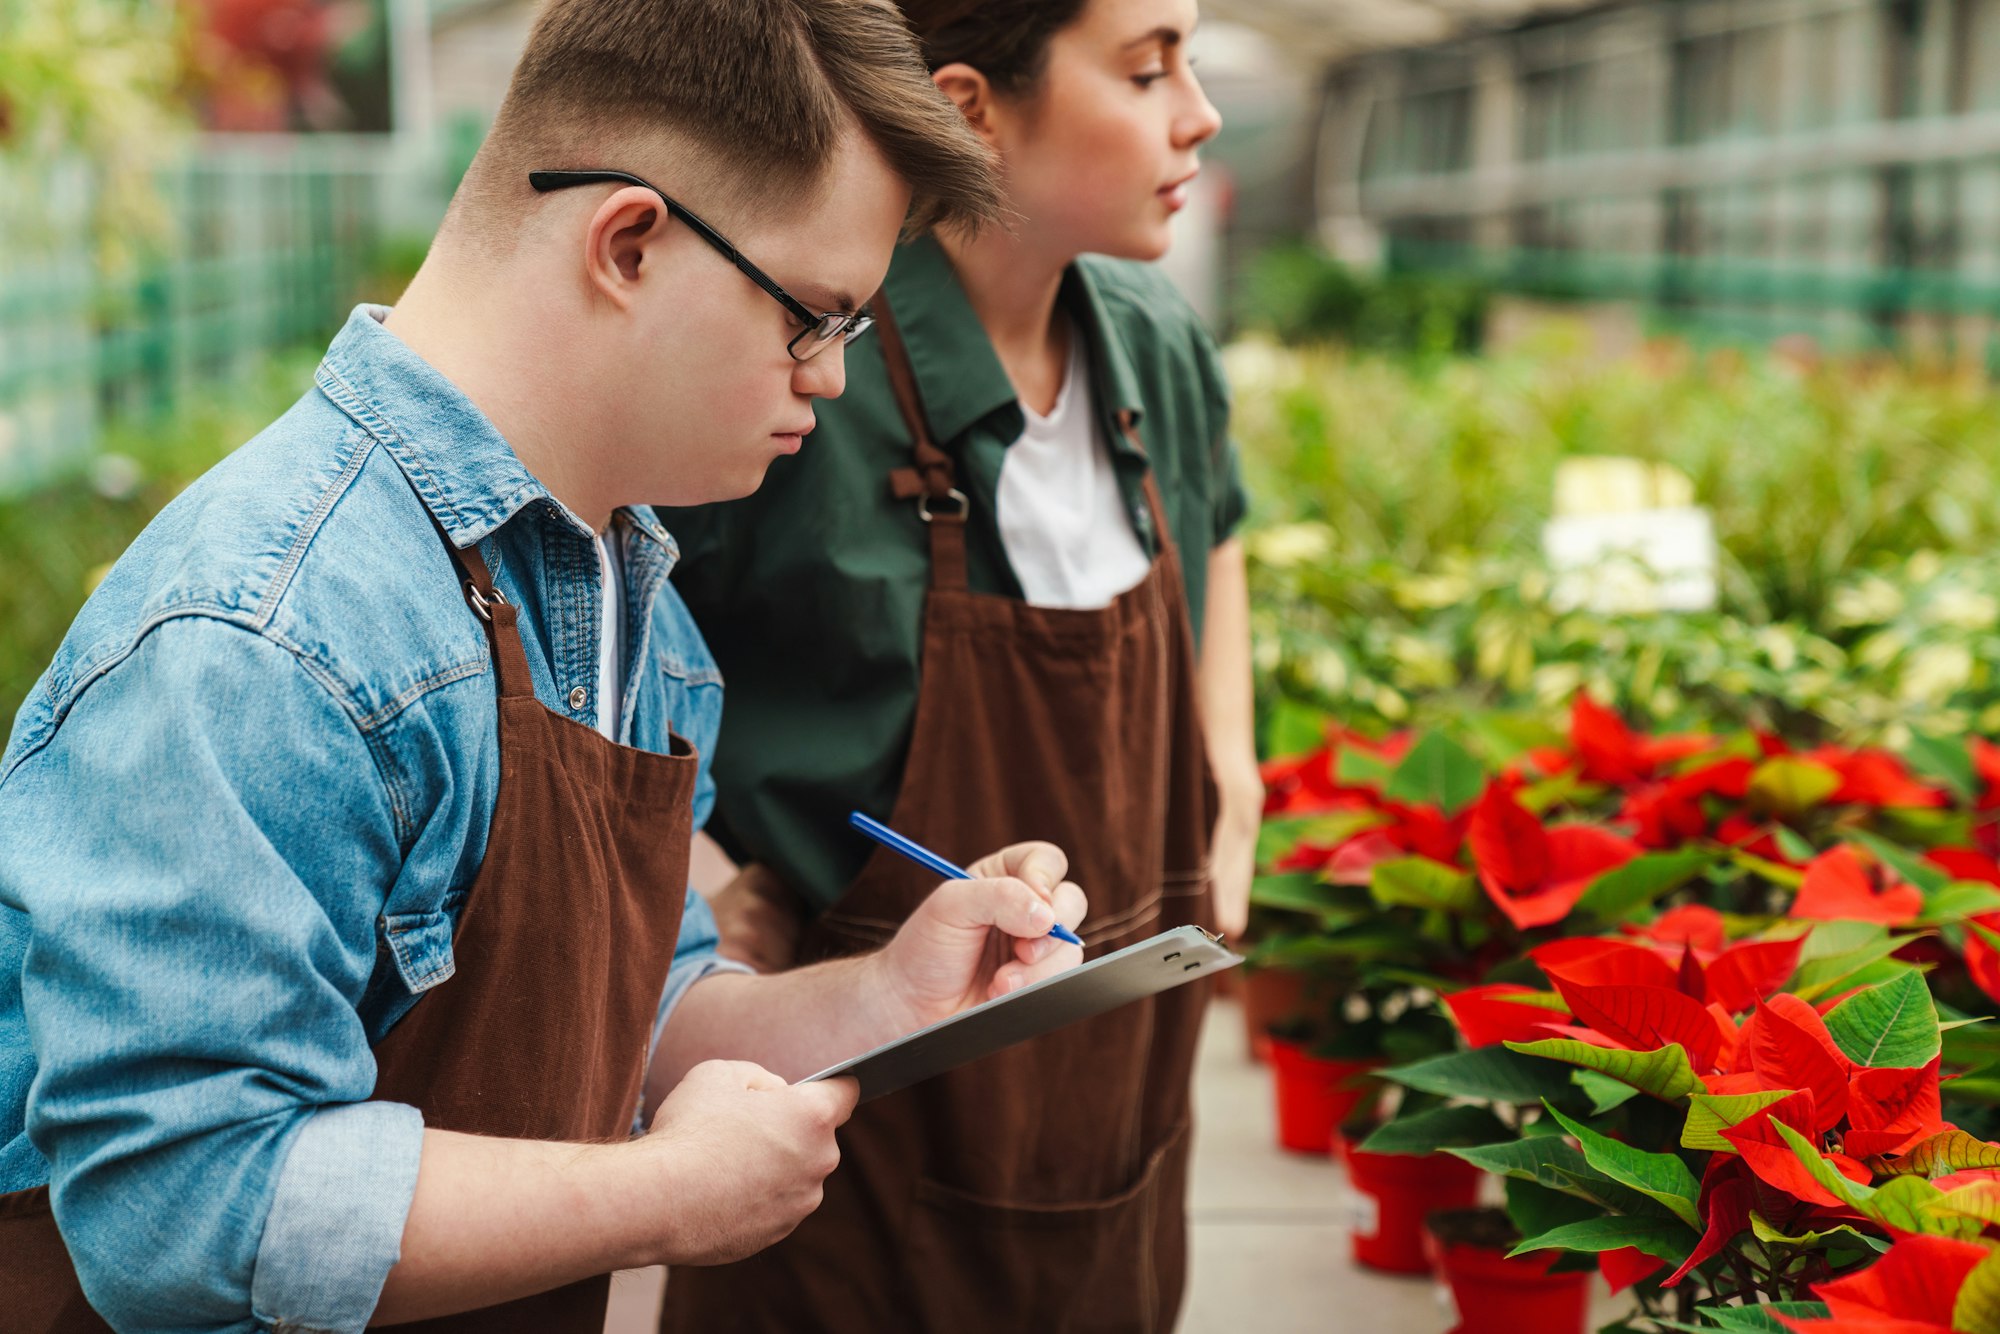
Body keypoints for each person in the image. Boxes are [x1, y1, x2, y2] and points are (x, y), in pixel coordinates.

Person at [0, 3, 1089, 1331]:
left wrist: (887, 994)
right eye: (816, 317)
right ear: (629, 241)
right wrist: (659, 1196)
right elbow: (184, 1203)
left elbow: (636, 1012)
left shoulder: (627, 600)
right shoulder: (265, 637)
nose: (832, 382)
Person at [660, 1, 1258, 1329]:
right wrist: (703, 902)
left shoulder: (1156, 341)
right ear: (972, 108)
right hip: (850, 1123)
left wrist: (1232, 775)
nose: (1197, 110)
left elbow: (1218, 532)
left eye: (1195, 60)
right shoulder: (811, 362)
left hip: (1114, 1098)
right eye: (1149, 67)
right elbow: (603, 631)